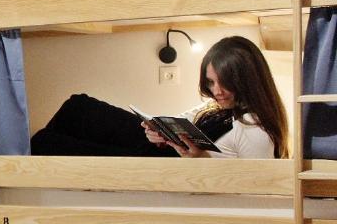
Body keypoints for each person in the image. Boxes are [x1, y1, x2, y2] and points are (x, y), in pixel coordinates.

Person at [30, 35, 289, 160]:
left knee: (46, 141)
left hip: (167, 165)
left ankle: (33, 177)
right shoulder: (219, 105)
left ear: (247, 80)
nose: (217, 91)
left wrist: (200, 159)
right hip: (160, 148)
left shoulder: (255, 128)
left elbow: (250, 187)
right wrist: (156, 128)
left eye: (226, 83)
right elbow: (180, 118)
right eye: (211, 82)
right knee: (79, 106)